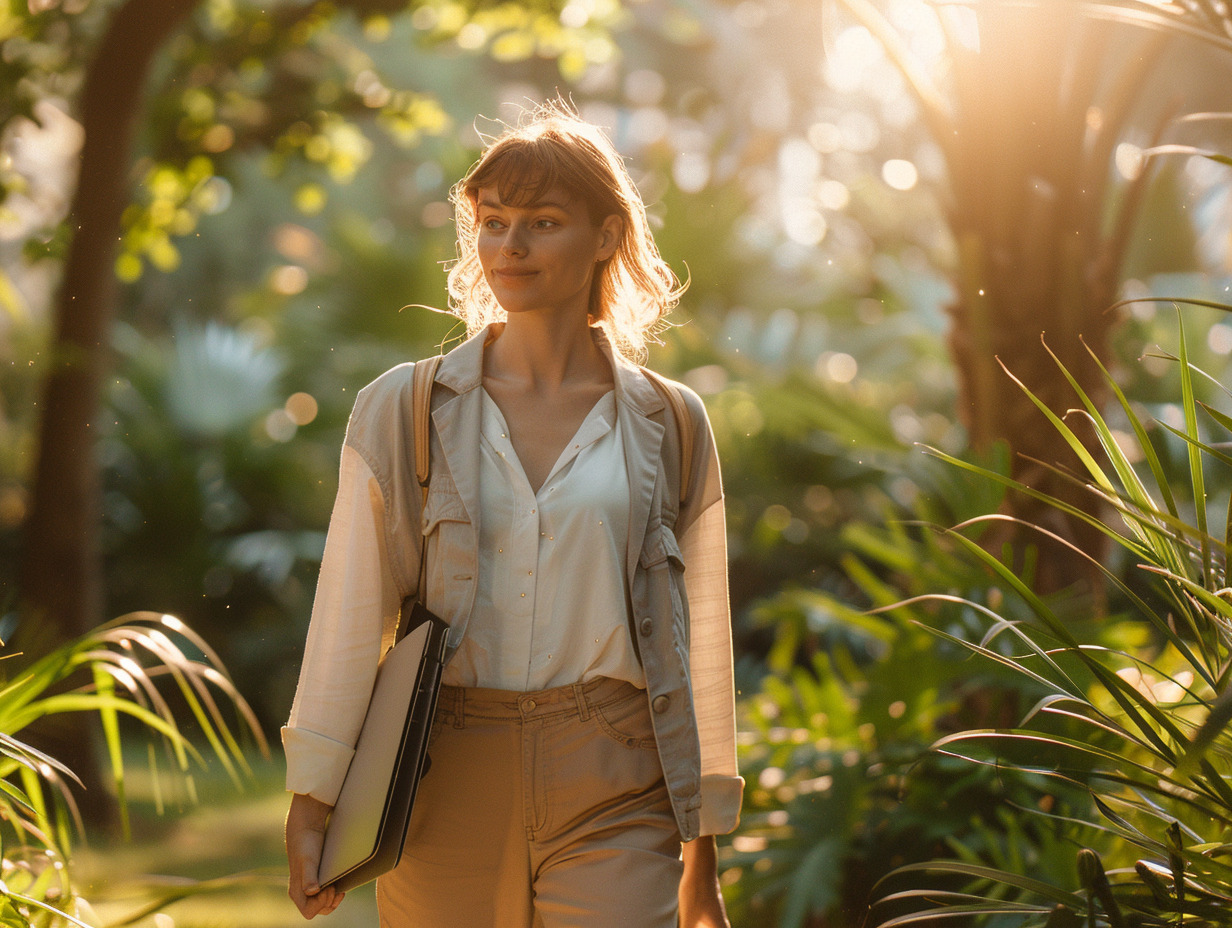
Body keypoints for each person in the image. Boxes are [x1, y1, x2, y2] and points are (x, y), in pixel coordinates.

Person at [282, 101, 743, 927]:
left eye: (542, 221)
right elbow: (351, 611)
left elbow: (696, 638)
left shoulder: (671, 421)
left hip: (615, 767)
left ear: (605, 237)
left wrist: (701, 851)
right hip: (444, 766)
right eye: (493, 223)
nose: (510, 247)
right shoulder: (402, 408)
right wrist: (314, 798)